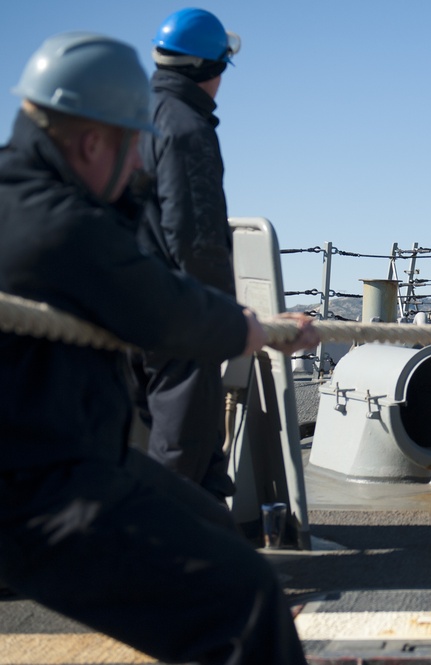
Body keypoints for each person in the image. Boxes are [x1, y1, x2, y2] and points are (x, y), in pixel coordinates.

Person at [0, 33, 317, 664]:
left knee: (208, 521)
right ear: (93, 142)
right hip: (32, 486)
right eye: (130, 146)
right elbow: (159, 304)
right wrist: (249, 327)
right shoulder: (58, 224)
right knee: (246, 601)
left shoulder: (28, 199)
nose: (140, 163)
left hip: (62, 449)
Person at [131, 8, 243, 501]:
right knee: (185, 447)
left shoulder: (137, 116)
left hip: (135, 309)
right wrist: (223, 320)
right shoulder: (188, 130)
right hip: (180, 317)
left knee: (155, 441)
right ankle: (169, 565)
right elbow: (195, 241)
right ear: (208, 70)